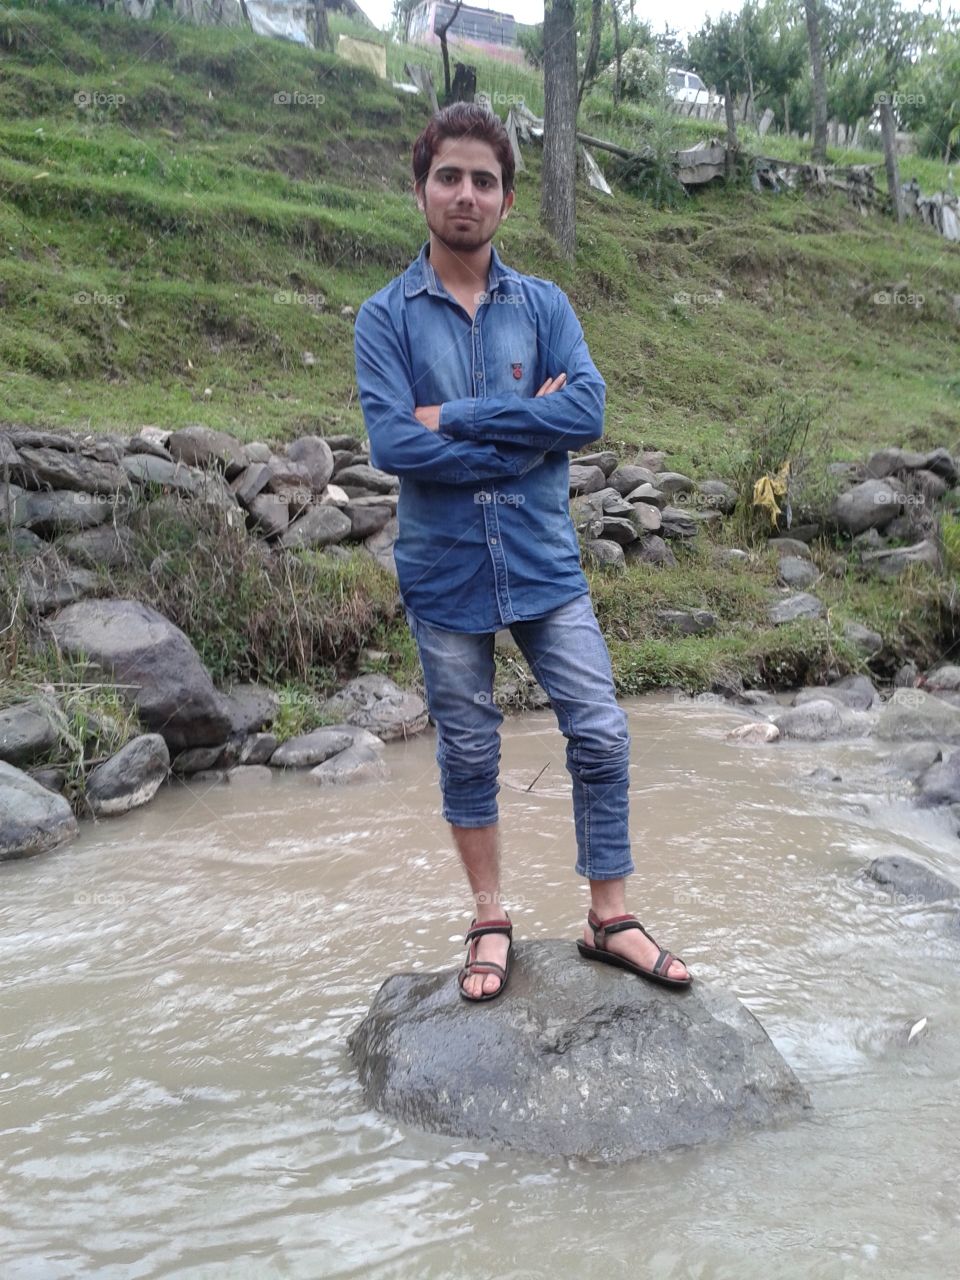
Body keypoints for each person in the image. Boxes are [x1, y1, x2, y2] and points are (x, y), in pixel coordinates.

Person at [353, 103, 691, 1002]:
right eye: (449, 176)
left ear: (507, 201)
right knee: (467, 746)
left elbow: (586, 412)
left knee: (601, 729)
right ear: (422, 186)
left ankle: (608, 917)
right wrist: (527, 434)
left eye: (485, 181)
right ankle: (489, 916)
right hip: (444, 567)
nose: (466, 194)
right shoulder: (384, 318)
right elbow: (393, 444)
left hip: (544, 563)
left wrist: (457, 419)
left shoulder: (546, 306)